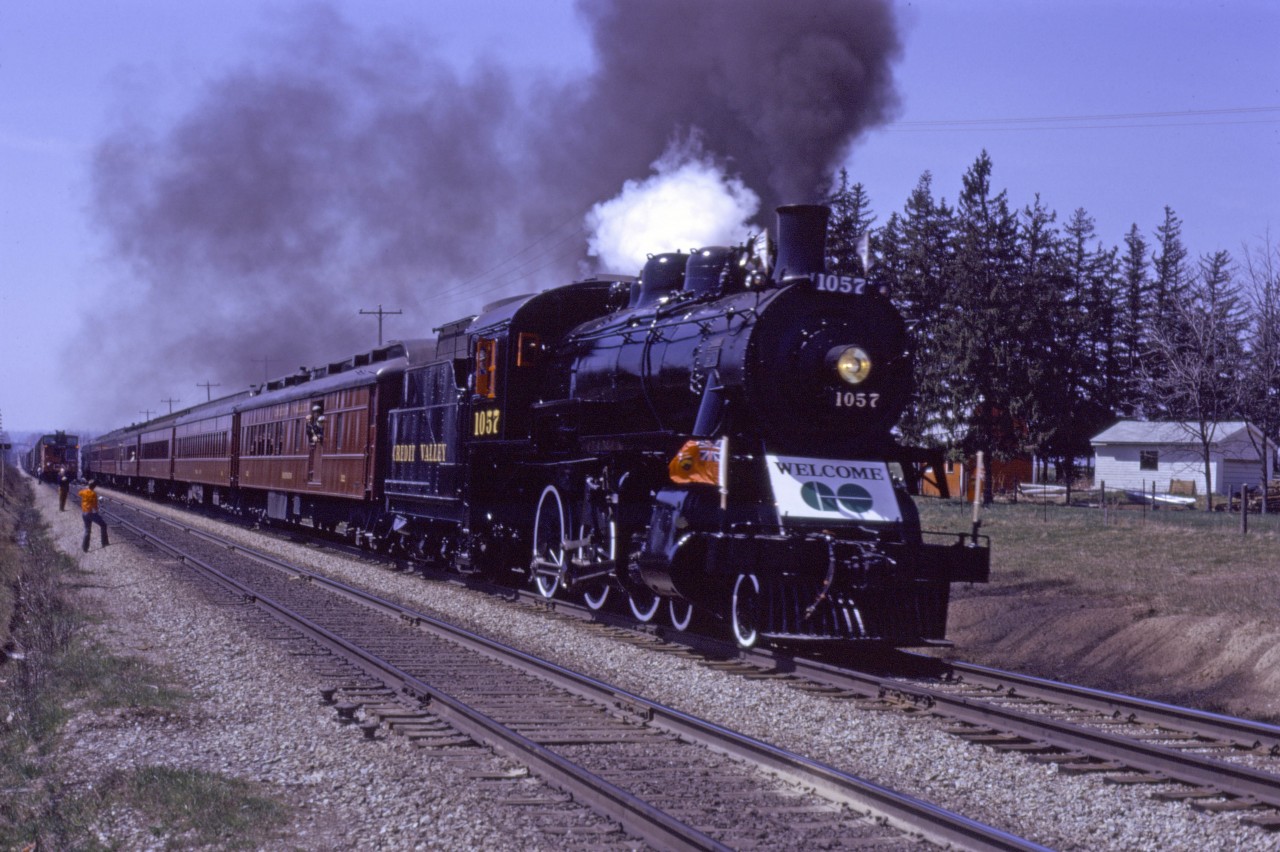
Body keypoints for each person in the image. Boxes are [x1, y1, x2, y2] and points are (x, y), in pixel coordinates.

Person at [78, 480, 109, 552]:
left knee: (87, 530)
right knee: (103, 525)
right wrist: (97, 511)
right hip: (91, 513)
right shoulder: (93, 494)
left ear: (88, 485)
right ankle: (104, 543)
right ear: (94, 486)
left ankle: (85, 548)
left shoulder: (84, 492)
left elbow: (79, 493)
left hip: (84, 513)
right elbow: (95, 505)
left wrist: (86, 489)